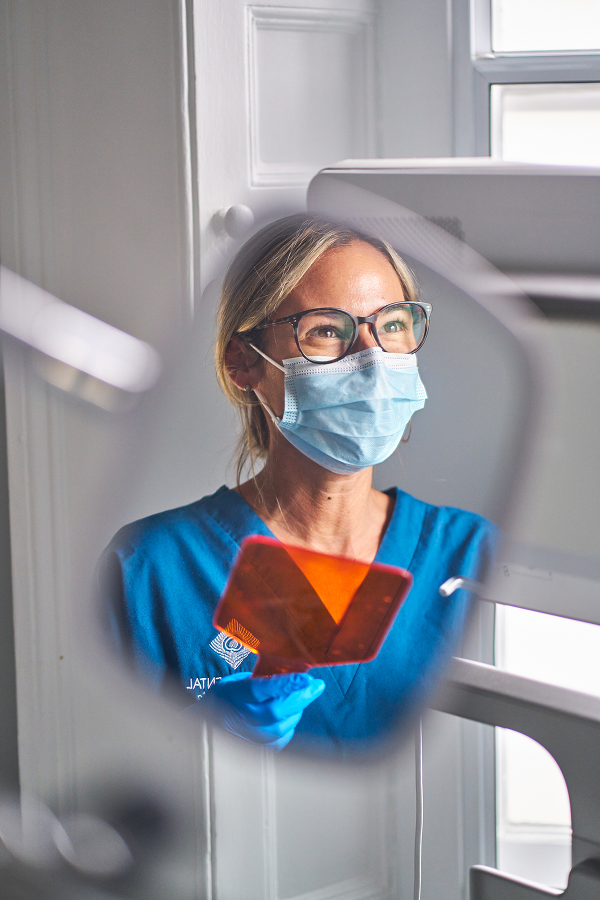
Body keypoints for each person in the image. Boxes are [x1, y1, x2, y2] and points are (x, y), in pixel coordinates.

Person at [100, 215, 496, 754]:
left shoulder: (472, 556)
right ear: (242, 362)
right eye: (327, 331)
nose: (373, 360)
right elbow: (119, 781)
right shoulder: (150, 570)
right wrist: (197, 736)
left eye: (394, 324)